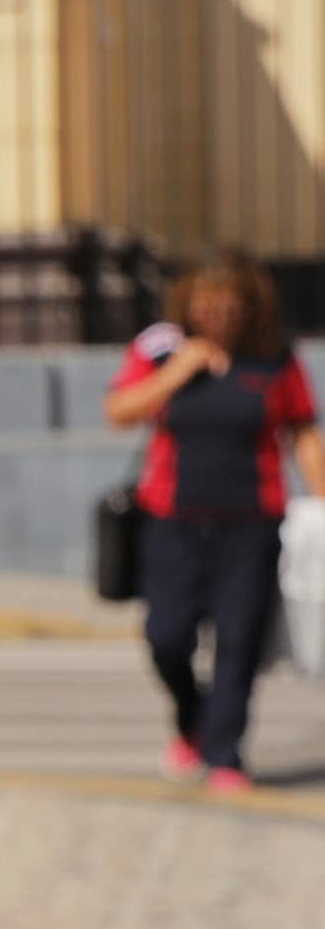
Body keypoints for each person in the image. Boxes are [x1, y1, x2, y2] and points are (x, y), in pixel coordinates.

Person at [104, 248, 325, 795]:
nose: (218, 318)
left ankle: (226, 753)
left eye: (229, 308)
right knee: (166, 637)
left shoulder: (275, 359)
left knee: (239, 640)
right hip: (172, 520)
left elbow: (302, 434)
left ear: (251, 309)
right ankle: (192, 719)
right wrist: (178, 372)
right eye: (206, 307)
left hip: (252, 523)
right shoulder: (161, 350)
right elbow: (119, 411)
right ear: (188, 306)